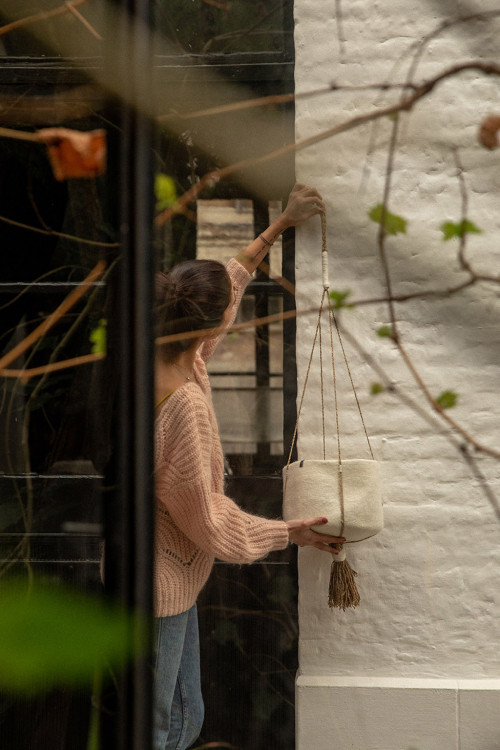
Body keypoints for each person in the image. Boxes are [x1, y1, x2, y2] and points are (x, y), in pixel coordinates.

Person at [153, 183, 345, 750]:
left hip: (165, 576)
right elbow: (209, 522)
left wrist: (278, 225)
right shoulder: (182, 403)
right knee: (162, 727)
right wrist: (292, 533)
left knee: (185, 719)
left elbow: (226, 288)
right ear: (209, 328)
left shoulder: (163, 355)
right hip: (158, 582)